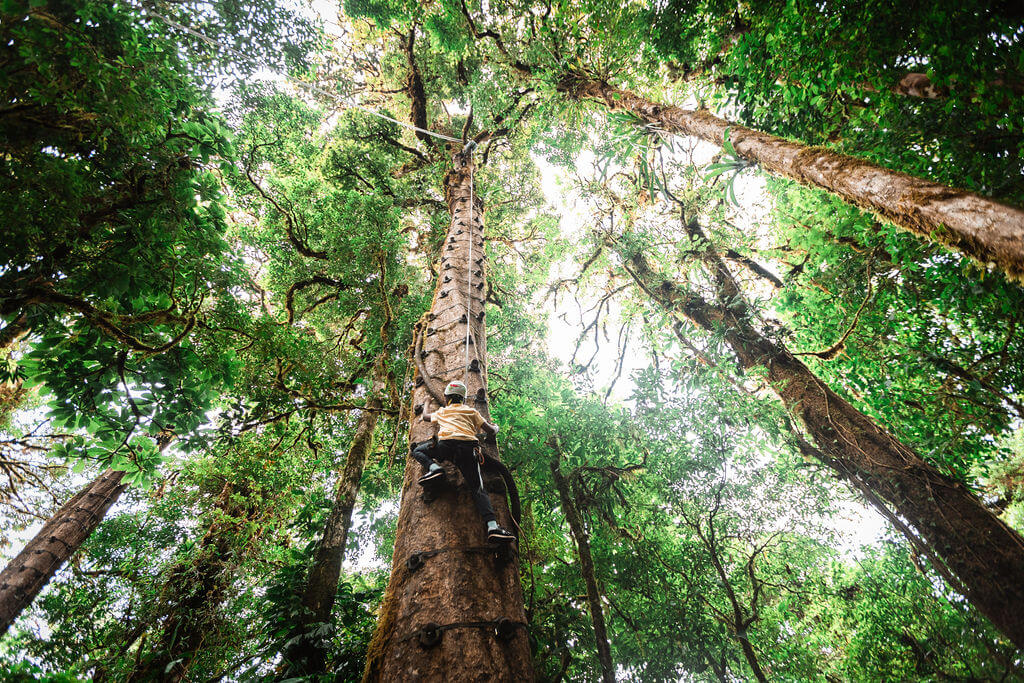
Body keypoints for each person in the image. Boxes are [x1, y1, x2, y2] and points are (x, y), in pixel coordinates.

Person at [411, 380, 515, 543]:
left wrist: (426, 402)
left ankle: (435, 468)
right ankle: (493, 527)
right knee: (478, 489)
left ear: (446, 398)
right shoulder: (471, 412)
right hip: (468, 450)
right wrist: (495, 428)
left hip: (446, 446)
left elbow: (425, 417)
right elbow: (490, 430)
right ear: (463, 399)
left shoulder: (443, 411)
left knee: (417, 450)